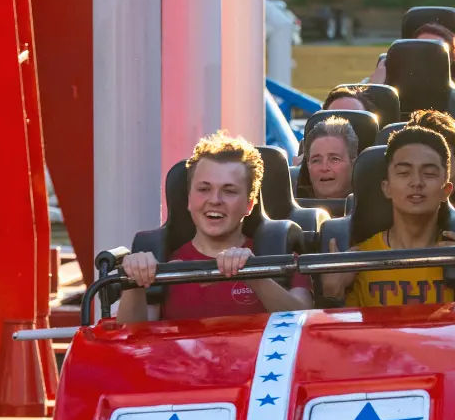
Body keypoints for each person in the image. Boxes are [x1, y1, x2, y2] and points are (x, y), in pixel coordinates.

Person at [116, 132, 313, 323]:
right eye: (204, 189)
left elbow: (304, 322)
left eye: (229, 191)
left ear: (249, 205)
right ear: (189, 199)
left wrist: (255, 276)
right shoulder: (162, 262)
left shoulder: (281, 257)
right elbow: (132, 340)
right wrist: (135, 282)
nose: (215, 200)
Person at [321, 127, 455, 307]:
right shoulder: (359, 261)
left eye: (429, 173)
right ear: (386, 187)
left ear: (446, 190)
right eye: (404, 173)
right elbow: (345, 334)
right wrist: (333, 292)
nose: (416, 182)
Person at [369, 22, 455, 86]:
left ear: (452, 58)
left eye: (435, 50)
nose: (426, 55)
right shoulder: (387, 81)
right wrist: (375, 87)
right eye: (422, 49)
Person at [297, 116, 358, 199]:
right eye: (316, 160)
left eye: (335, 159)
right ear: (308, 166)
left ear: (353, 164)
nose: (324, 168)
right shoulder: (289, 204)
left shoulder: (373, 206)